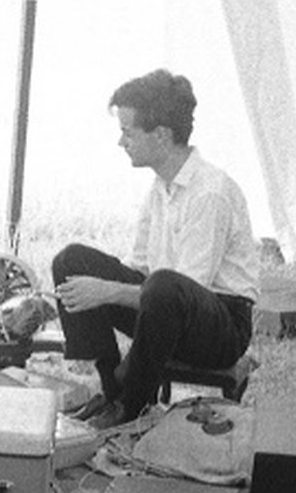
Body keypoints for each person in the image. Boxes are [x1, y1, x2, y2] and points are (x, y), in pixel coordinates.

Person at [52, 68, 262, 429]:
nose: (122, 143)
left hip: (220, 325)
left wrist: (109, 291)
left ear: (162, 136)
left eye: (128, 132)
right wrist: (98, 288)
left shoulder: (210, 193)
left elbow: (182, 290)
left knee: (162, 287)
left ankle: (131, 405)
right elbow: (141, 270)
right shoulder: (160, 186)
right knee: (73, 261)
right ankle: (111, 391)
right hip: (167, 305)